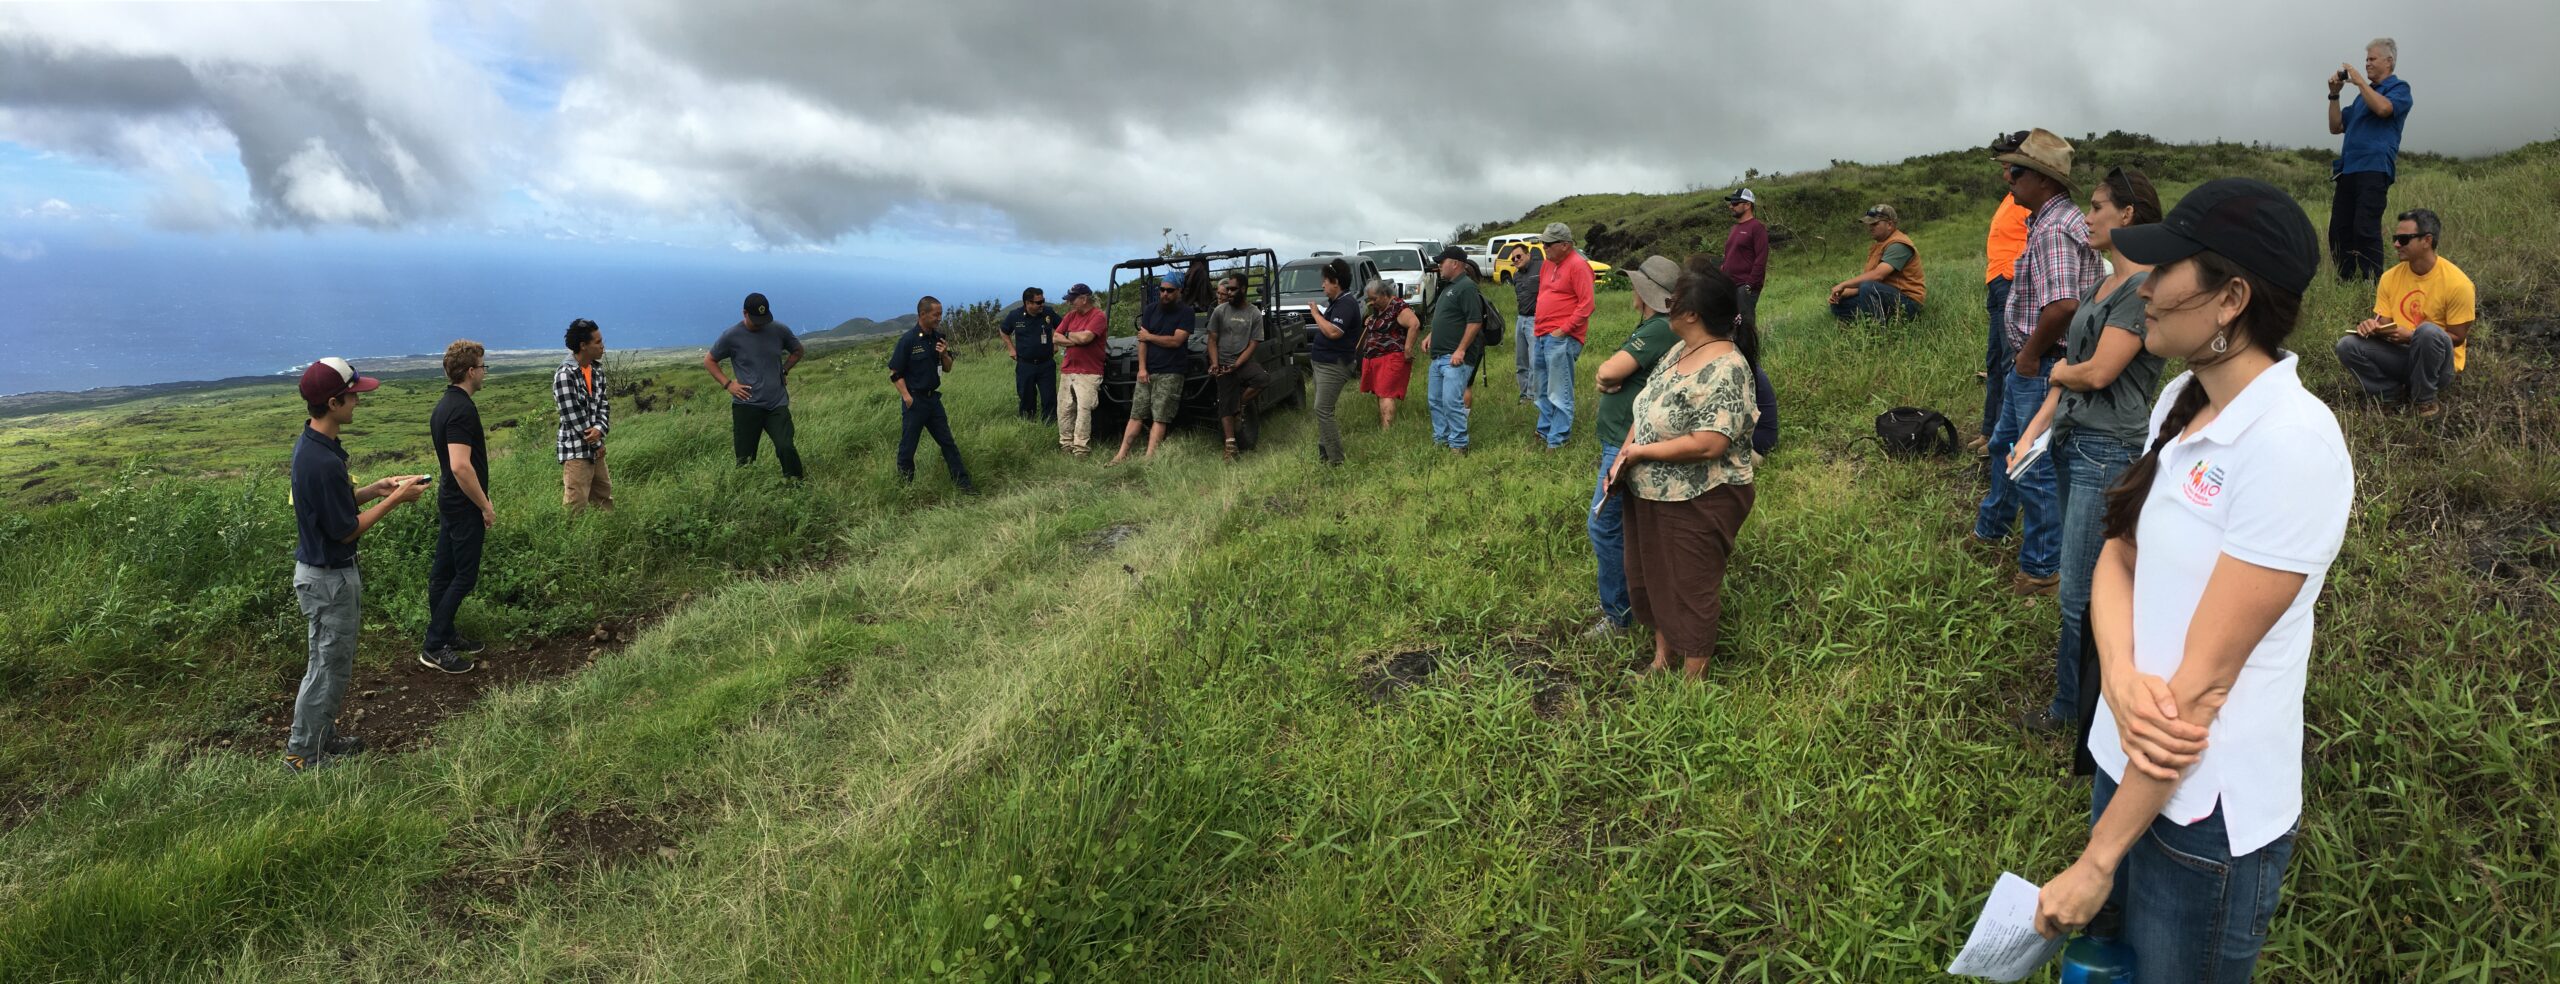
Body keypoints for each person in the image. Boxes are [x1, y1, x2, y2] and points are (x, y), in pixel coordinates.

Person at [2032, 177, 2352, 983]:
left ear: (2230, 299)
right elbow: (2120, 554)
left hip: (2201, 810)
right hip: (2127, 757)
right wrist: (2126, 676)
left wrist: (2098, 861)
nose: (2146, 286)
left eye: (2168, 268)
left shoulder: (2291, 445)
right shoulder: (2182, 399)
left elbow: (2203, 691)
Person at [2009, 166, 2167, 735]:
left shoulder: (2140, 289)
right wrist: (2030, 434)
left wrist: (2061, 371)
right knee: (2091, 584)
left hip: (2105, 448)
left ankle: (2076, 714)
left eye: (2098, 206)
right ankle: (2088, 703)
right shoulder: (2101, 283)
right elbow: (2068, 375)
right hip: (2075, 439)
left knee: (2079, 590)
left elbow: (2098, 372)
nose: (2088, 216)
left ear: (2127, 215)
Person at [1601, 261, 1760, 680]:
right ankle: (1661, 660)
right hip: (1652, 490)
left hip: (1701, 495)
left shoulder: (1727, 367)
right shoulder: (1679, 350)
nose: (1664, 307)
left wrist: (1642, 453)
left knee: (1689, 584)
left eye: (1672, 302)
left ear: (1691, 313)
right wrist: (1623, 455)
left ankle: (1693, 680)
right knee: (1653, 575)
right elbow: (1647, 405)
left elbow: (1711, 443)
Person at [284, 357, 431, 772]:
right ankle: (302, 756)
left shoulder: (315, 446)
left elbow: (332, 511)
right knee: (327, 669)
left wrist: (373, 488)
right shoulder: (322, 462)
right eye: (353, 396)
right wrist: (395, 500)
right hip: (329, 580)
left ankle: (319, 738)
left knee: (327, 665)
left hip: (322, 576)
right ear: (333, 402)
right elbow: (346, 531)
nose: (357, 402)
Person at [1975, 129, 2096, 597]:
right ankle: (1992, 527)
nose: (2010, 179)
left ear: (2044, 180)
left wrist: (2027, 356)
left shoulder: (2052, 230)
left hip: (2043, 362)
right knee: (2006, 442)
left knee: (2032, 464)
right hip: (2031, 363)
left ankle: (2043, 569)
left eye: (2018, 171)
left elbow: (2063, 305)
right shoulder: (2051, 221)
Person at [1587, 255, 1684, 638]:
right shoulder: (1655, 325)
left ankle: (1619, 614)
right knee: (1624, 525)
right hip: (1623, 439)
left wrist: (1607, 377)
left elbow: (1610, 371)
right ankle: (1627, 602)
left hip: (1627, 443)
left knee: (1604, 526)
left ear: (1645, 292)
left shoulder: (1660, 328)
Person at [2335, 208, 2473, 418]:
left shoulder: (2458, 283)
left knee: (2427, 332)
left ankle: (2424, 400)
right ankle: (2389, 392)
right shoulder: (2390, 277)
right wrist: (2373, 327)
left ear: (2427, 240)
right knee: (2347, 346)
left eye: (2404, 239)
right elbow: (2385, 323)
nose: (2396, 244)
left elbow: (2457, 337)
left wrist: (2411, 335)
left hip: (2439, 367)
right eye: (2395, 238)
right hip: (2403, 357)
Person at [421, 340, 494, 673]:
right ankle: (435, 644)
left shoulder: (443, 405)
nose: (484, 372)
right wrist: (485, 505)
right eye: (482, 366)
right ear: (470, 371)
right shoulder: (462, 409)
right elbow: (461, 466)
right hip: (463, 505)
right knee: (464, 576)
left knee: (442, 576)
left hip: (449, 501)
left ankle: (446, 635)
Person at [2327, 38, 2413, 282]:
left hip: (2374, 168)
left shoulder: (2399, 89)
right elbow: (2336, 127)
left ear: (2389, 61)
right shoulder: (2360, 99)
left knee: (2365, 227)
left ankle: (2374, 282)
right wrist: (2334, 96)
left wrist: (2361, 84)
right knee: (2339, 230)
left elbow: (2384, 109)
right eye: (2366, 60)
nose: (2367, 64)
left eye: (2372, 59)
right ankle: (2346, 280)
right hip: (2348, 170)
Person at [1977, 131, 2036, 453]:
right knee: (1994, 358)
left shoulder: (2029, 200)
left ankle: (2002, 435)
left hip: (2011, 280)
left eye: (2008, 163)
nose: (2003, 171)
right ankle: (1989, 430)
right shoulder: (2011, 198)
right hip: (1998, 281)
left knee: (2006, 359)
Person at [703, 292, 805, 479]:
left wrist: (785, 369)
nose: (761, 324)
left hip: (777, 402)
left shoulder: (779, 330)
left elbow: (798, 350)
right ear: (744, 313)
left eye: (764, 319)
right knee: (745, 459)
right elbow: (709, 360)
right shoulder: (731, 336)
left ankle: (797, 487)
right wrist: (728, 384)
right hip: (746, 405)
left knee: (786, 446)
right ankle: (748, 494)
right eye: (756, 320)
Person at [888, 296, 977, 493]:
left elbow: (947, 369)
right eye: (935, 314)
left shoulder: (939, 337)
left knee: (948, 443)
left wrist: (944, 354)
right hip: (915, 401)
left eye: (941, 314)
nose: (939, 318)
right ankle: (905, 489)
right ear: (922, 315)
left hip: (933, 401)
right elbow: (895, 373)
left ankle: (964, 485)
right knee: (908, 448)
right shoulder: (908, 340)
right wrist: (907, 397)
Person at [1112, 271, 1194, 464]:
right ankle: (1121, 455)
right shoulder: (1150, 310)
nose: (1164, 294)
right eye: (1162, 289)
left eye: (1169, 291)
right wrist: (1142, 368)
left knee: (1160, 416)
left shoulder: (1186, 312)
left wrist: (1150, 337)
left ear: (1179, 291)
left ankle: (1148, 459)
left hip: (1171, 371)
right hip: (1148, 370)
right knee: (1136, 413)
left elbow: (1176, 341)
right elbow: (1142, 342)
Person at [1531, 222, 1594, 449]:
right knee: (1541, 387)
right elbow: (1544, 295)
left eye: (1548, 244)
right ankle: (1545, 431)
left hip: (1561, 337)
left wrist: (1563, 330)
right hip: (1540, 334)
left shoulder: (1578, 266)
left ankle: (1558, 440)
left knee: (1559, 389)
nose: (1544, 247)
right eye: (1543, 243)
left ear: (1565, 245)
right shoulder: (1548, 265)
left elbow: (1587, 305)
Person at [1425, 246, 1486, 453]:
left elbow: (1475, 321)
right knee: (1435, 401)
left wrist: (1460, 350)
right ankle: (1441, 440)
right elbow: (1450, 318)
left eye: (1443, 261)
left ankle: (1459, 445)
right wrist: (1431, 335)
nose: (1440, 265)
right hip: (1439, 357)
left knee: (1451, 402)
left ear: (1455, 263)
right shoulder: (1449, 287)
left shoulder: (1466, 287)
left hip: (1455, 358)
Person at [1206, 271, 1270, 460]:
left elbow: (1253, 344)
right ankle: (1230, 446)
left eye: (1233, 289)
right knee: (1225, 402)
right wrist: (1216, 363)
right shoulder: (1220, 311)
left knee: (1262, 378)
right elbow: (1212, 340)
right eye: (1228, 289)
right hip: (1223, 363)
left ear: (1243, 289)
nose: (1229, 292)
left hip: (1243, 362)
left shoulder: (1254, 314)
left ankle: (1240, 404)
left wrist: (1238, 364)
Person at [1304, 258, 1363, 466]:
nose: (1323, 285)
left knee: (1323, 408)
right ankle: (1325, 453)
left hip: (1334, 364)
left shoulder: (1347, 303)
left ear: (1335, 281)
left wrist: (1314, 315)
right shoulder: (1337, 303)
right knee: (1324, 409)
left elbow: (1333, 332)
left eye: (1325, 281)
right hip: (1323, 363)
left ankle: (1336, 460)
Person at [1827, 204, 1927, 323]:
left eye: (1875, 224)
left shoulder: (1899, 245)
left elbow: (1877, 276)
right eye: (1869, 224)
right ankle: (1876, 321)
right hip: (1885, 295)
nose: (1870, 227)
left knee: (1868, 287)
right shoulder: (1881, 245)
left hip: (1908, 302)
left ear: (1889, 225)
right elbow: (1872, 284)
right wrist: (1843, 293)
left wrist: (1843, 284)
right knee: (1839, 304)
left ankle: (1877, 331)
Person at [554, 319, 613, 512]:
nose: (602, 346)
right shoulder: (565, 375)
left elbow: (603, 405)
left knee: (604, 499)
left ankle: (608, 538)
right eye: (597, 342)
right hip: (577, 451)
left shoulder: (596, 370)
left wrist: (600, 430)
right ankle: (573, 542)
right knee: (575, 507)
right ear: (583, 346)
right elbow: (575, 419)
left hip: (596, 449)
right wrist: (597, 442)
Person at [1053, 283, 1109, 456]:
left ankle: (1080, 449)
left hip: (1089, 371)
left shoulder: (1098, 316)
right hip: (1069, 369)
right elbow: (1055, 336)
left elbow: (1086, 337)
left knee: (1084, 410)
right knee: (1064, 408)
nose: (1070, 303)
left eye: (1073, 299)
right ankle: (1066, 445)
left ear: (1084, 299)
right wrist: (1075, 339)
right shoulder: (1071, 316)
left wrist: (1069, 335)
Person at [1358, 278, 1420, 431]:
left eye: (1374, 298)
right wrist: (1369, 319)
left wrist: (1408, 349)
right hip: (1376, 358)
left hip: (1391, 357)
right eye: (1369, 299)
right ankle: (1384, 427)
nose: (1371, 302)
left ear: (1385, 294)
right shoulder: (1378, 309)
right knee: (1381, 393)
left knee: (1386, 393)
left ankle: (1387, 432)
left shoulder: (1398, 307)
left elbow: (1415, 324)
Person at [1000, 287, 1061, 423]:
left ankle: (1049, 426)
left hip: (1046, 364)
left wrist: (1055, 341)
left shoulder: (1048, 313)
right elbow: (1004, 331)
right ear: (1028, 303)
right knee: (1026, 397)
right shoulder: (1015, 316)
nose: (1042, 304)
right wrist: (1011, 348)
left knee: (1049, 398)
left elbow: (1062, 326)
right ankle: (1028, 425)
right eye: (1038, 302)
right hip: (1025, 364)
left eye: (1043, 301)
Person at [1721, 189, 1769, 324]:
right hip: (1729, 286)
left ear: (1747, 205)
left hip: (1744, 287)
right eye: (1731, 203)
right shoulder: (1734, 229)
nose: (1731, 206)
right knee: (1730, 326)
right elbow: (1730, 256)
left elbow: (1761, 258)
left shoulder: (1757, 228)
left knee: (1745, 327)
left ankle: (1752, 346)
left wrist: (1749, 285)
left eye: (1735, 203)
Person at [1507, 242, 1542, 402]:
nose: (1516, 259)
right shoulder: (1516, 275)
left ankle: (1533, 395)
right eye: (1513, 258)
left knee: (1534, 360)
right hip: (1520, 319)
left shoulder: (1541, 267)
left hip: (1536, 319)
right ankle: (1524, 396)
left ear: (1528, 254)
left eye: (1519, 256)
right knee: (1521, 361)